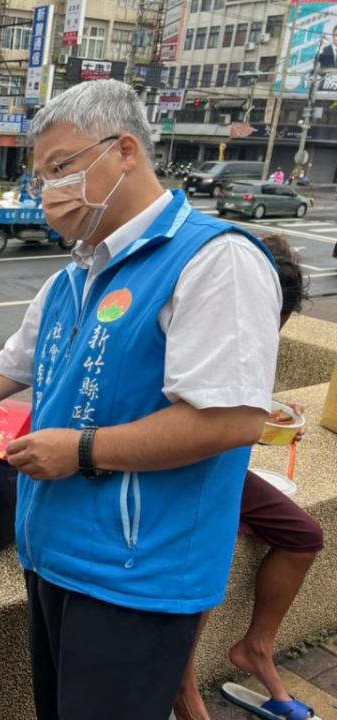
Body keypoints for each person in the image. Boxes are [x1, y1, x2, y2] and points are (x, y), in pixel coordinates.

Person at [0, 79, 281, 720]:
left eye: (62, 167)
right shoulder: (73, 278)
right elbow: (0, 370)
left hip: (137, 577)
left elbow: (233, 419)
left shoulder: (214, 261)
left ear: (125, 150)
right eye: (41, 174)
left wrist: (81, 450)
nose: (47, 189)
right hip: (53, 555)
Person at [174, 233, 323, 720]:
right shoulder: (191, 312)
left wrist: (271, 418)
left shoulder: (248, 327)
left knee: (303, 535)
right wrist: (249, 426)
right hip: (174, 472)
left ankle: (255, 646)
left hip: (225, 466)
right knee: (205, 564)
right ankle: (184, 688)